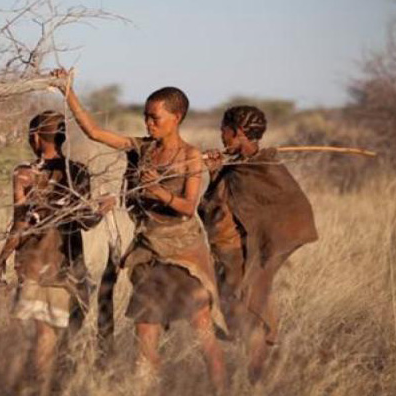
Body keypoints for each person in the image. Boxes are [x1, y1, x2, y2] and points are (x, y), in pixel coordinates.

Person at [50, 68, 228, 392]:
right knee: (145, 329)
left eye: (155, 118)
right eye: (146, 117)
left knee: (203, 333)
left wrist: (158, 192)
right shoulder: (141, 148)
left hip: (184, 253)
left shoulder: (190, 156)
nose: (148, 124)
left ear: (177, 117)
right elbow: (94, 132)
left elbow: (188, 207)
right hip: (149, 253)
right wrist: (68, 92)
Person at [0, 110, 113, 395]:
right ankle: (53, 386)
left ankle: (40, 388)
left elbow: (20, 223)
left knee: (42, 336)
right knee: (57, 336)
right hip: (67, 266)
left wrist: (2, 257)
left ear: (35, 137)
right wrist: (102, 209)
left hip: (33, 264)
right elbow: (86, 222)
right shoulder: (78, 171)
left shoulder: (24, 173)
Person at [200, 105, 317, 382]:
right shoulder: (233, 168)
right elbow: (211, 209)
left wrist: (268, 246)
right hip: (229, 255)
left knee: (254, 312)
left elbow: (295, 209)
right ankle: (255, 378)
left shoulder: (265, 166)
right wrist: (215, 173)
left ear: (239, 132)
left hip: (255, 255)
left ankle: (258, 379)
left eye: (224, 131)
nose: (221, 136)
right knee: (238, 316)